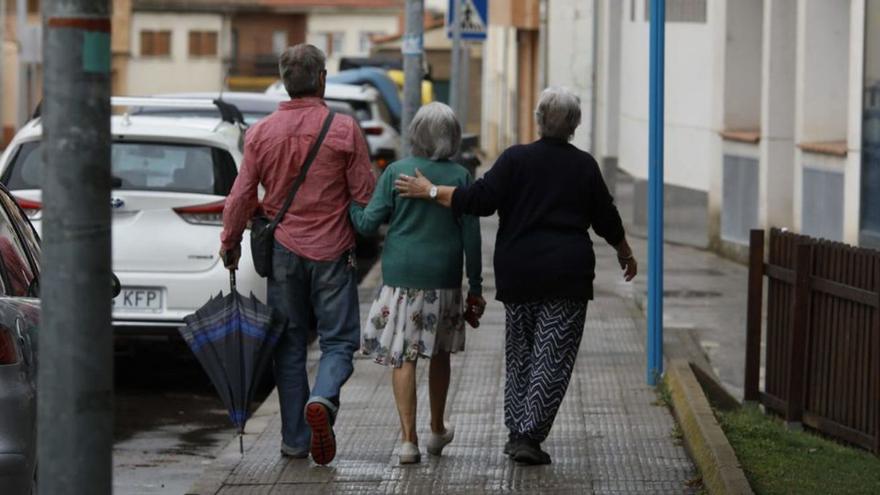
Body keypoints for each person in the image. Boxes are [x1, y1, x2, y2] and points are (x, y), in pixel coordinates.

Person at [395, 87, 638, 466]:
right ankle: (527, 435)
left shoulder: (515, 160)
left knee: (522, 355)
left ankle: (518, 430)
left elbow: (478, 200)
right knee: (552, 358)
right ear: (574, 126)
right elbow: (605, 216)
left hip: (520, 272)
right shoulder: (584, 165)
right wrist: (624, 251)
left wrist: (430, 191)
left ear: (539, 120)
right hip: (566, 275)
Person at [219, 44, 375, 465]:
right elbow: (365, 195)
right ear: (322, 78)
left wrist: (229, 242)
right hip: (333, 251)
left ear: (286, 84)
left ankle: (294, 440)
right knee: (339, 341)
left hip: (283, 251)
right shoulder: (344, 130)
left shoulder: (260, 133)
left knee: (288, 345)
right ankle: (323, 398)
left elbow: (241, 195)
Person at [349, 102, 484, 465]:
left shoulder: (396, 172)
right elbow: (472, 234)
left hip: (401, 277)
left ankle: (408, 442)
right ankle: (436, 430)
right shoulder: (460, 176)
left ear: (416, 134)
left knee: (404, 355)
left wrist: (349, 203)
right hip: (444, 277)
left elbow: (366, 225)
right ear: (452, 137)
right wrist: (477, 284)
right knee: (439, 353)